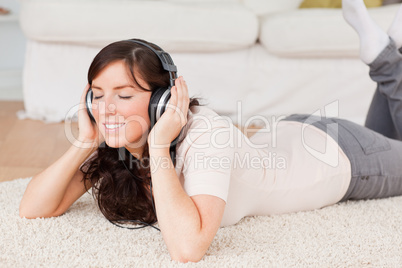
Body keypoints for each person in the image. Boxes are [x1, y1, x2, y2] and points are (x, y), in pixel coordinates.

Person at [19, 0, 402, 263]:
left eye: (124, 94)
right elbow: (33, 209)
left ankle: (387, 59)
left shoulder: (204, 135)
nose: (106, 109)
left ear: (163, 99)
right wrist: (85, 141)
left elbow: (188, 248)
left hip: (344, 159)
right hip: (297, 134)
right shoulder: (117, 144)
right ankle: (388, 56)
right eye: (97, 96)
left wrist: (159, 144)